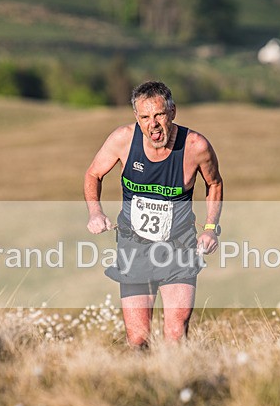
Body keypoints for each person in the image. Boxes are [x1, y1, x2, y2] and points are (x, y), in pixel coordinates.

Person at [84, 81, 223, 348]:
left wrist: (209, 228)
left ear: (172, 111)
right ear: (137, 117)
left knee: (175, 330)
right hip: (134, 246)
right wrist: (95, 212)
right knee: (138, 337)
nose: (153, 124)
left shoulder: (195, 146)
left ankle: (177, 381)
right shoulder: (123, 139)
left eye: (159, 114)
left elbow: (214, 183)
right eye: (145, 117)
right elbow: (93, 173)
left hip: (179, 245)